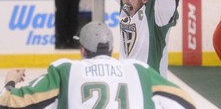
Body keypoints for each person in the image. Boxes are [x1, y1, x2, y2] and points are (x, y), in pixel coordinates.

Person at [0, 21, 196, 109]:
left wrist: (10, 82)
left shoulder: (65, 71)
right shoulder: (139, 70)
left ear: (83, 50)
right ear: (111, 49)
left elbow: (9, 103)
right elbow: (186, 102)